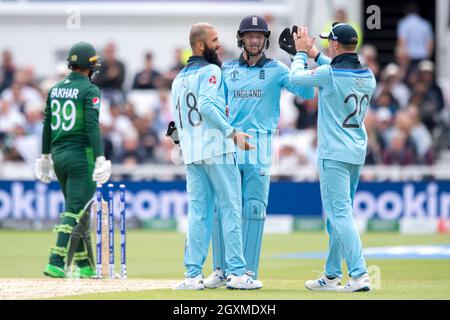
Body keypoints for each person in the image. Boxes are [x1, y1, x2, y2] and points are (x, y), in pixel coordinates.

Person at [204, 15, 314, 289]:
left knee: (253, 208)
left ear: (265, 39)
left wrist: (299, 58)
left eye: (259, 36)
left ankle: (247, 272)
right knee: (221, 208)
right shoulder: (226, 69)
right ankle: (222, 270)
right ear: (241, 38)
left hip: (261, 146)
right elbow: (212, 104)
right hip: (229, 144)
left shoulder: (277, 69)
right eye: (249, 35)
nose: (254, 40)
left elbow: (308, 93)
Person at [169, 22, 262, 290]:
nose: (219, 44)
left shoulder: (178, 79)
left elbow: (176, 123)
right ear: (200, 45)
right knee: (231, 208)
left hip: (192, 153)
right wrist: (232, 133)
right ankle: (235, 273)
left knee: (199, 213)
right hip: (218, 149)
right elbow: (207, 105)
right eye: (215, 39)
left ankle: (192, 276)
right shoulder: (211, 71)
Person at [288, 23, 376, 292]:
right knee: (339, 216)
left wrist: (301, 54)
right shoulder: (368, 75)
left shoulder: (329, 74)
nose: (327, 45)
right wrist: (315, 53)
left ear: (336, 44)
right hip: (355, 153)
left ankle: (360, 274)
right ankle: (331, 275)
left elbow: (295, 78)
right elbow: (335, 69)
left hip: (333, 155)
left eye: (329, 42)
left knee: (340, 215)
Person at [35, 42, 112, 278]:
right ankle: (56, 260)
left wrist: (45, 156)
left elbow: (47, 125)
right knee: (74, 209)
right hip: (80, 156)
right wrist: (100, 157)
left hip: (59, 156)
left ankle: (83, 264)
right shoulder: (90, 90)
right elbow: (91, 125)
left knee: (79, 211)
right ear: (89, 66)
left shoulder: (55, 89)